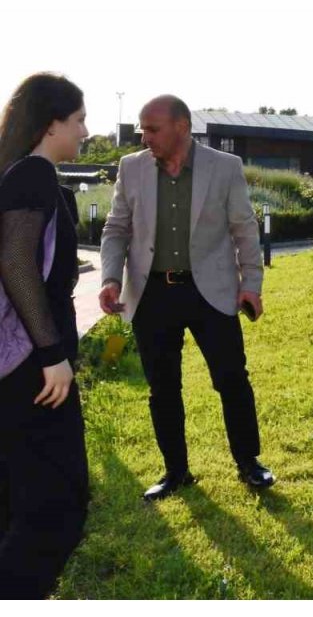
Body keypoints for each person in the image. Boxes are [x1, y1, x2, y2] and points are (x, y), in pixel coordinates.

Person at [98, 95, 273, 501]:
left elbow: (244, 229)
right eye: (142, 128)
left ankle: (249, 463)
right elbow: (116, 229)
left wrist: (252, 284)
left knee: (231, 379)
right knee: (162, 387)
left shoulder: (224, 167)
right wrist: (109, 278)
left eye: (152, 129)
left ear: (181, 127)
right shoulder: (131, 167)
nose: (145, 136)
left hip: (209, 290)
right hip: (152, 293)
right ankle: (176, 471)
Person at [0, 73, 90, 599]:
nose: (85, 130)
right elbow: (14, 262)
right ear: (51, 122)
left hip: (21, 369)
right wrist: (53, 355)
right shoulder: (33, 172)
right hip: (34, 372)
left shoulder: (19, 172)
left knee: (15, 499)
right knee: (57, 507)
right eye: (78, 120)